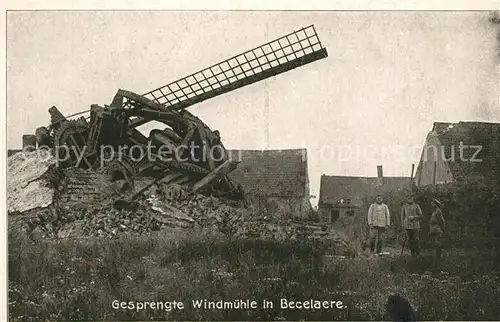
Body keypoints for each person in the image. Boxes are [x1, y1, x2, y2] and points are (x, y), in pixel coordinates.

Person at [429, 198, 445, 265]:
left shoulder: (438, 211)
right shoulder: (434, 211)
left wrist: (442, 229)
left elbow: (441, 221)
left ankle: (438, 258)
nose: (431, 204)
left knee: (438, 244)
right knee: (435, 244)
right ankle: (436, 258)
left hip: (437, 230)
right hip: (433, 230)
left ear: (436, 204)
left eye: (433, 203)